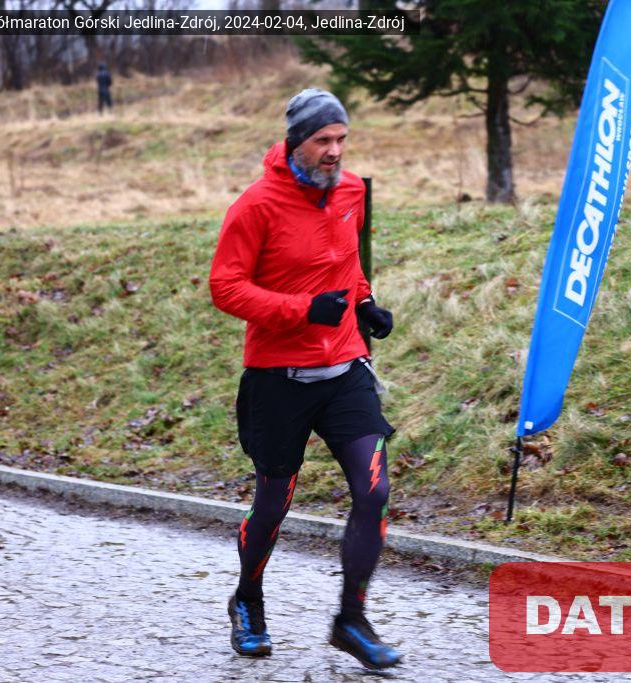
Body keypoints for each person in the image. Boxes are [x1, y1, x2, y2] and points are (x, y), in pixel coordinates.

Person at [209, 88, 400, 670]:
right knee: (273, 504)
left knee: (374, 492)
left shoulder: (351, 191)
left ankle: (351, 620)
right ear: (296, 142)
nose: (334, 151)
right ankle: (247, 601)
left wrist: (363, 303)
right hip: (278, 378)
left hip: (344, 368)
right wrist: (300, 310)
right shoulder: (255, 206)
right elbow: (225, 287)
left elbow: (346, 262)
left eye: (341, 139)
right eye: (322, 140)